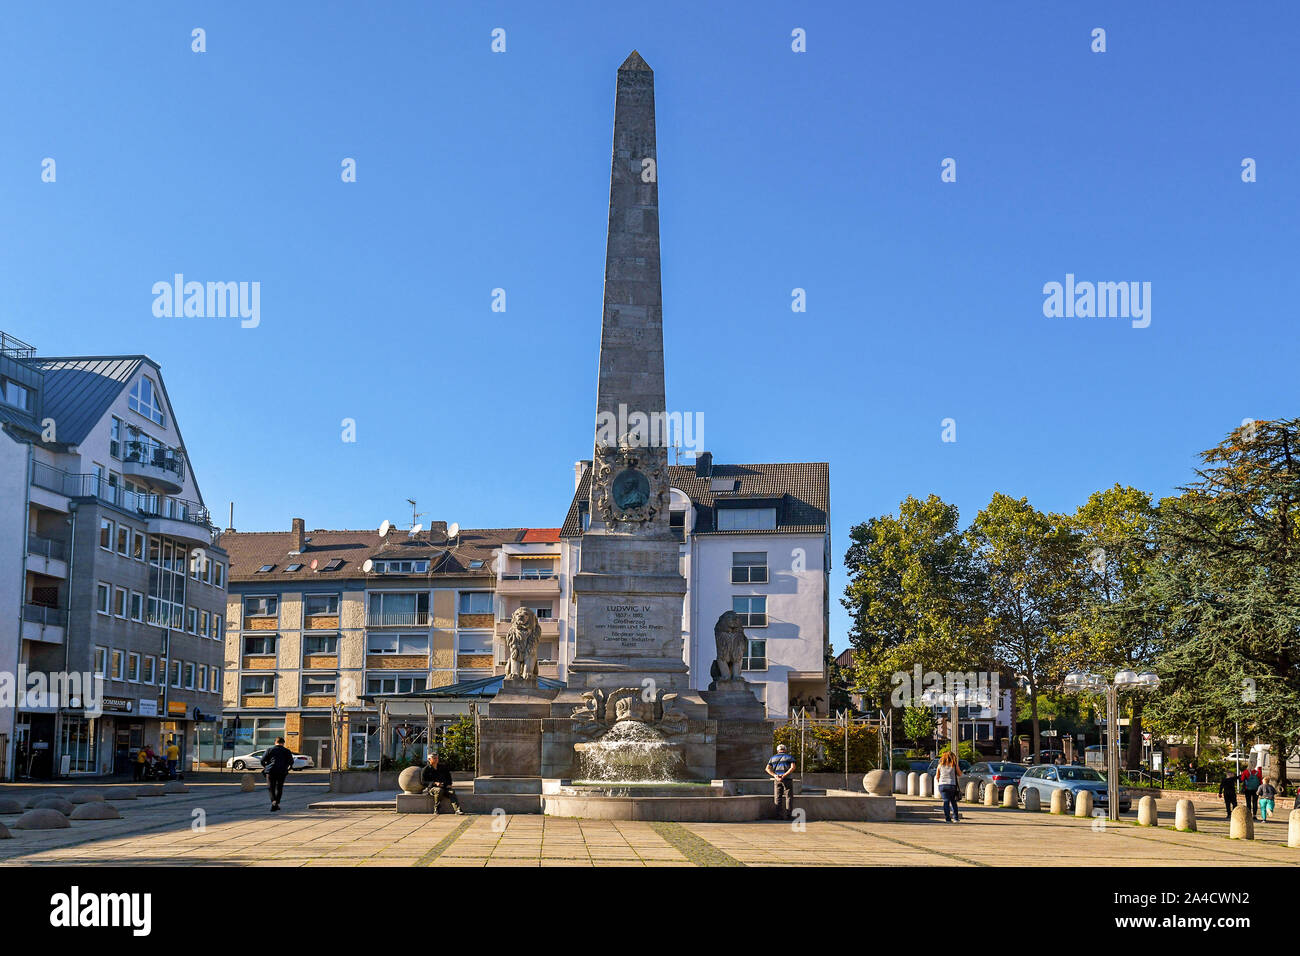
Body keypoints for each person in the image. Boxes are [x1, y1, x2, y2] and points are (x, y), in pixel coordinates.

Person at [261, 736, 295, 811]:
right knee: (279, 787)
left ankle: (273, 802)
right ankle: (277, 802)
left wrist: (266, 766)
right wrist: (287, 767)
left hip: (270, 771)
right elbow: (291, 762)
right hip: (282, 771)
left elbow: (262, 760)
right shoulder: (287, 751)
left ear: (275, 742)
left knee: (271, 788)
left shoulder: (269, 750)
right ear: (283, 743)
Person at [765, 743, 797, 821]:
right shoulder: (789, 757)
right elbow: (793, 767)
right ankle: (788, 816)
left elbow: (767, 769)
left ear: (777, 750)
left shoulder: (773, 758)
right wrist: (784, 775)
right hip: (787, 779)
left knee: (778, 797)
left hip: (777, 780)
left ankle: (778, 816)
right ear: (785, 750)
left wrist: (775, 776)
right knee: (788, 797)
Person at [936, 750, 962, 823]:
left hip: (942, 785)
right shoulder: (954, 764)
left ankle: (948, 819)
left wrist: (941, 783)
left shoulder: (940, 765)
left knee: (946, 802)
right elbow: (960, 774)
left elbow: (937, 776)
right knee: (953, 802)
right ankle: (956, 818)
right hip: (951, 785)